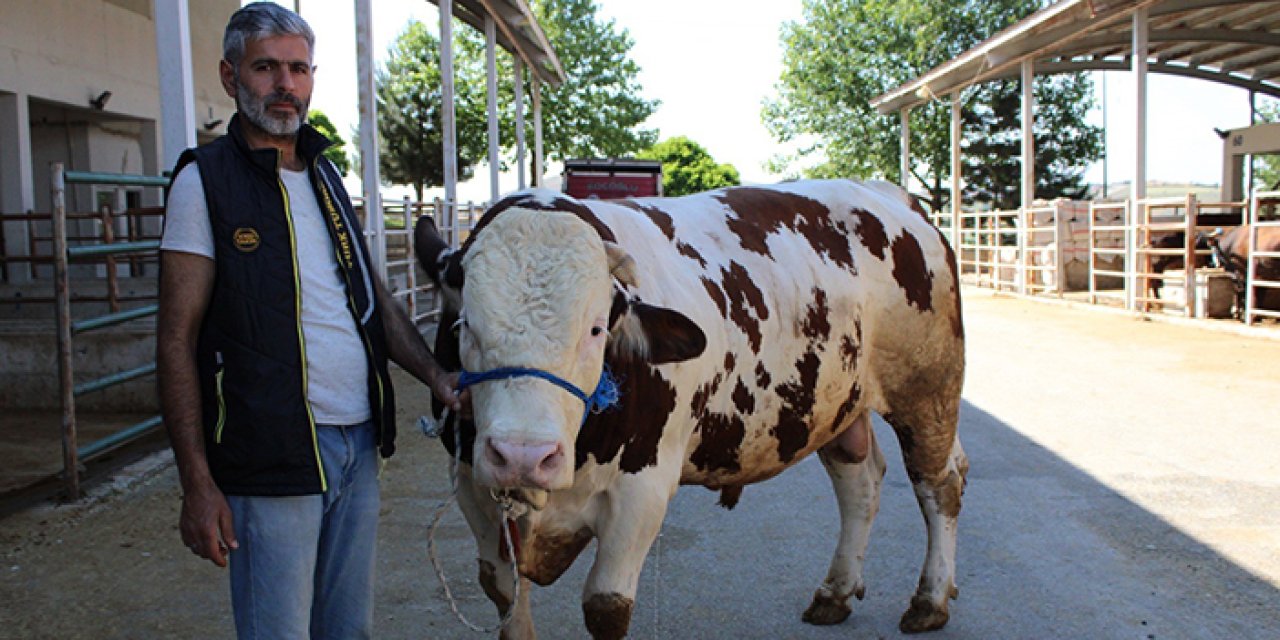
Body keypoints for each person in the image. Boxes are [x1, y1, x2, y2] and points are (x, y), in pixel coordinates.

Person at [156, 3, 462, 638]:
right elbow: (175, 340)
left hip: (355, 443)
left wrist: (437, 376)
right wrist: (197, 485)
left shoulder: (324, 176)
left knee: (348, 630)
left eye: (298, 68)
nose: (284, 84)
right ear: (229, 74)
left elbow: (373, 300)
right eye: (266, 67)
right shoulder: (204, 181)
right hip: (270, 452)